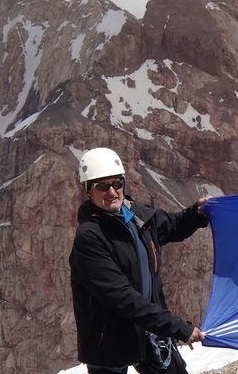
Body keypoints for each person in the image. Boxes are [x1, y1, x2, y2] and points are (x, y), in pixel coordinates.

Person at [69, 147, 209, 374]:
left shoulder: (137, 217)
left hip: (149, 330)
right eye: (102, 186)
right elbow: (121, 296)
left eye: (117, 183)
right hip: (109, 339)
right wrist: (176, 327)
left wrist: (197, 213)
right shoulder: (89, 237)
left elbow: (171, 226)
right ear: (88, 191)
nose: (112, 192)